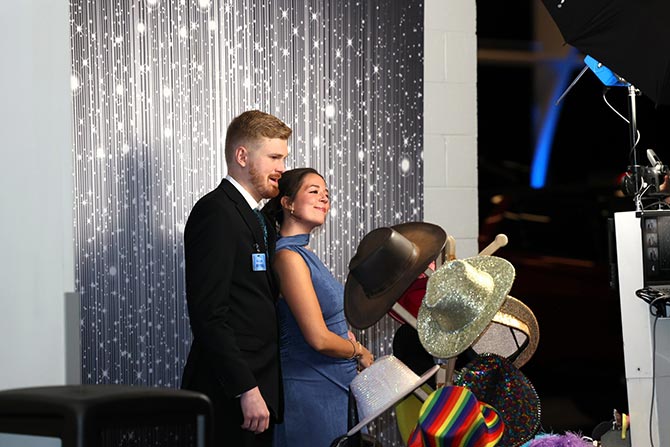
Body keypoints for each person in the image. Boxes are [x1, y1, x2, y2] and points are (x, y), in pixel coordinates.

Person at [181, 110, 291, 447]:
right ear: (242, 156)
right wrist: (246, 388)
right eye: (274, 157)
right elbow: (209, 314)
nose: (282, 168)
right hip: (231, 396)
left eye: (284, 158)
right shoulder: (216, 212)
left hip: (259, 391)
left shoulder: (258, 219)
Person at [262, 168, 374, 447]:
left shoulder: (304, 254)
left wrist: (345, 342)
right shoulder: (288, 257)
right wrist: (358, 350)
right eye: (314, 191)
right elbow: (319, 339)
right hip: (311, 392)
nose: (324, 198)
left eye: (327, 194)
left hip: (334, 387)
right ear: (287, 203)